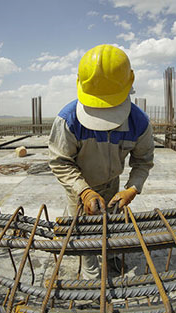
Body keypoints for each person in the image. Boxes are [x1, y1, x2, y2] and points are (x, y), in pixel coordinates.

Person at [48, 44, 154, 279]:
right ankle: (91, 272)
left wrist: (132, 189)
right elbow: (60, 162)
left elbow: (143, 161)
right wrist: (83, 192)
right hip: (80, 186)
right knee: (84, 231)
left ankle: (110, 254)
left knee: (110, 224)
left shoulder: (139, 123)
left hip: (112, 185)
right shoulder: (68, 121)